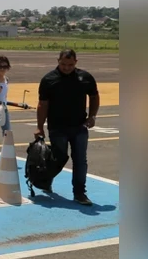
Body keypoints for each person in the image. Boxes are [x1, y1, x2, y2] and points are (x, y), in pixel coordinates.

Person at [35, 49, 100, 206]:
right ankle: (46, 180)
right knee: (58, 158)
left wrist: (92, 116)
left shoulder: (85, 78)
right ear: (58, 61)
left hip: (79, 126)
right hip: (57, 127)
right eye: (63, 64)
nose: (66, 68)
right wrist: (39, 127)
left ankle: (79, 193)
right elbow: (42, 104)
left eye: (70, 65)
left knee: (80, 160)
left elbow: (94, 96)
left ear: (76, 62)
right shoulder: (48, 80)